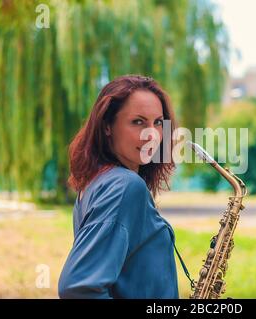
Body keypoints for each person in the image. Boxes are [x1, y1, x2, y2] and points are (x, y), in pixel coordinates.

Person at [58, 75, 191, 299]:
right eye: (138, 122)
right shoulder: (125, 186)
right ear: (107, 126)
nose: (152, 135)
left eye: (158, 122)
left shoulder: (98, 182)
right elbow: (78, 289)